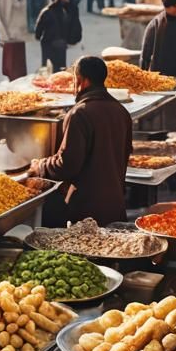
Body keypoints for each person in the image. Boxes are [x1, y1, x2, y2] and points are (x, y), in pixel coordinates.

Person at [30, 55, 133, 226]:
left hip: (87, 211)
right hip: (115, 206)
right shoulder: (122, 112)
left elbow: (67, 165)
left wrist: (40, 166)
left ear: (82, 80)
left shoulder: (80, 114)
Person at [34, 0, 82, 71]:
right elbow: (75, 34)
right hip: (61, 47)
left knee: (48, 74)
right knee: (60, 74)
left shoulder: (46, 12)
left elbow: (37, 34)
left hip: (47, 47)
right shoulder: (69, 10)